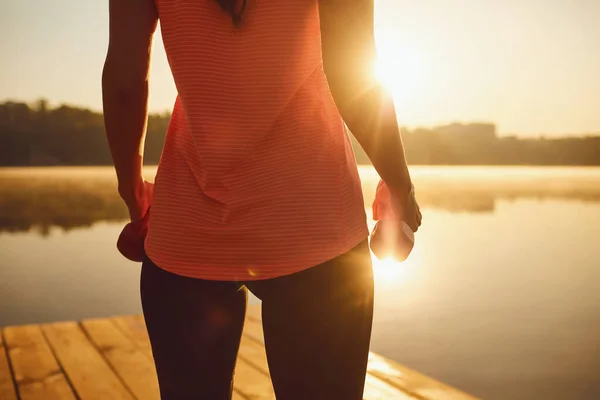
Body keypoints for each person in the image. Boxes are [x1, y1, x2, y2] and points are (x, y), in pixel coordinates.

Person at [102, 0, 421, 398]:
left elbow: (125, 81)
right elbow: (353, 71)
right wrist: (399, 186)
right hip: (316, 227)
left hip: (184, 229)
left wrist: (132, 192)